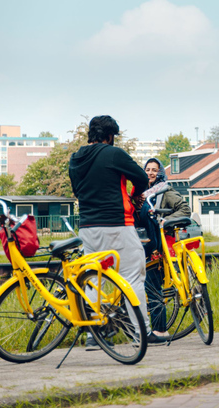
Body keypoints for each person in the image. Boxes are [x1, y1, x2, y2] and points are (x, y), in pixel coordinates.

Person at [68, 115, 169, 347]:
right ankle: (141, 333)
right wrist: (135, 196)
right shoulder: (113, 154)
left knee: (95, 279)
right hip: (116, 223)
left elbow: (77, 190)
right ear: (110, 136)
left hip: (87, 227)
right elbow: (142, 178)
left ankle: (94, 335)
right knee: (133, 275)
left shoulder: (76, 158)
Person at [135, 157, 192, 336]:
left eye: (154, 170)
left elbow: (184, 208)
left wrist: (165, 221)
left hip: (158, 246)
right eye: (147, 169)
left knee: (153, 286)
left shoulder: (165, 191)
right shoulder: (140, 191)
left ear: (160, 173)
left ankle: (160, 330)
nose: (150, 173)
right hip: (140, 243)